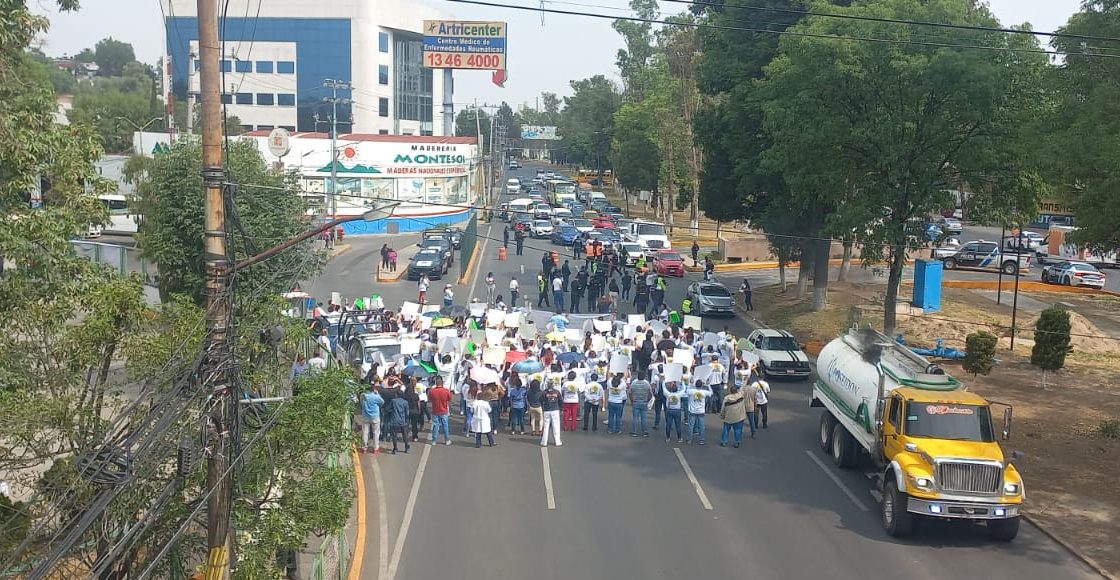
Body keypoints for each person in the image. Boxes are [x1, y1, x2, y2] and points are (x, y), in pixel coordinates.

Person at [357, 384, 385, 453]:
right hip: (375, 416)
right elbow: (382, 402)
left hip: (365, 416)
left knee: (365, 432)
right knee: (376, 433)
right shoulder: (375, 396)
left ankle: (364, 448)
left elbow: (361, 403)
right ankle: (375, 448)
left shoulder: (363, 395)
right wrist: (377, 394)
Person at [685, 379, 712, 445]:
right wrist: (708, 385)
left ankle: (689, 440)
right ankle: (702, 440)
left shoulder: (691, 391)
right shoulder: (704, 392)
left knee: (691, 426)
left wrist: (691, 384)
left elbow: (686, 390)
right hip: (701, 411)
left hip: (692, 411)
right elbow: (711, 393)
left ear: (695, 385)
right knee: (702, 426)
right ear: (702, 385)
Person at [428, 378, 453, 445]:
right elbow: (449, 399)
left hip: (435, 410)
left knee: (435, 425)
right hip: (444, 410)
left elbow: (430, 399)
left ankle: (434, 440)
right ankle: (447, 440)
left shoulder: (432, 391)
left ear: (436, 383)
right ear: (442, 383)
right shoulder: (446, 391)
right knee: (445, 425)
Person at [628, 370, 652, 437]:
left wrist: (632, 400)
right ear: (644, 377)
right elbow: (650, 393)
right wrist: (648, 400)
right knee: (644, 418)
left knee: (635, 418)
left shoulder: (634, 383)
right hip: (644, 402)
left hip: (636, 401)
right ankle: (645, 431)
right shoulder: (647, 383)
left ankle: (634, 431)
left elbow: (630, 392)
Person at [539, 380, 563, 447]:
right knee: (556, 426)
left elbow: (540, 400)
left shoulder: (544, 392)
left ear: (547, 385)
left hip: (546, 410)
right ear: (553, 385)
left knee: (546, 426)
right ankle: (557, 442)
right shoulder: (557, 392)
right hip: (555, 410)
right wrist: (561, 409)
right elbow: (560, 401)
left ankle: (544, 442)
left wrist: (542, 406)